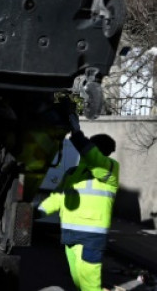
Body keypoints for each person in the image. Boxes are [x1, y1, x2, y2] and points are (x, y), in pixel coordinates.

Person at [35, 113, 119, 291]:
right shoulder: (73, 173)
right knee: (78, 282)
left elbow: (92, 157)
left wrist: (77, 134)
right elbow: (58, 197)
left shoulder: (109, 169)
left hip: (90, 238)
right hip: (70, 235)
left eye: (91, 147)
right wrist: (38, 211)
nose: (86, 151)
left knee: (90, 285)